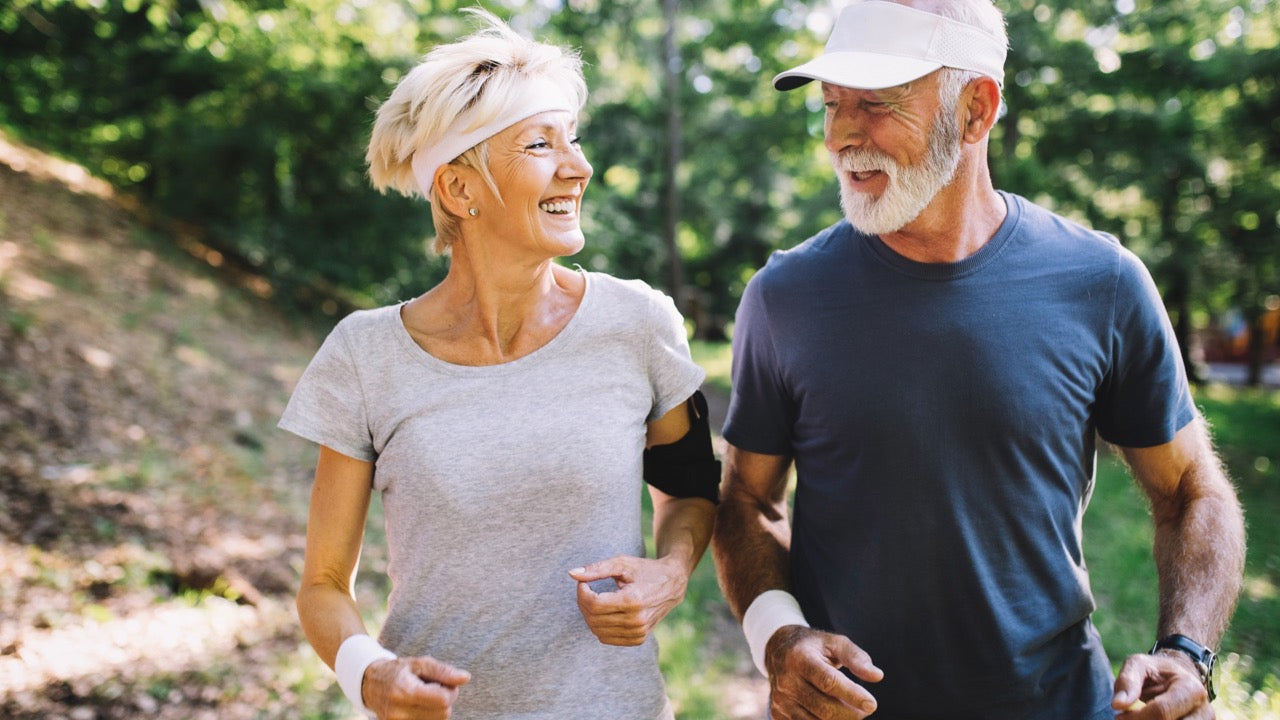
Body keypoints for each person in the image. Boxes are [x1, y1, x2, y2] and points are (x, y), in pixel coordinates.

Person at [711, 1, 1246, 719]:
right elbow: (747, 500)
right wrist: (778, 638)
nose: (840, 135)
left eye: (876, 104)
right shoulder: (785, 297)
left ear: (976, 110)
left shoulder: (1103, 283)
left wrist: (1186, 652)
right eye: (832, 104)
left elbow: (1191, 492)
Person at [278, 10, 720, 719]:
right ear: (459, 190)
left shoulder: (639, 323)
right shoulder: (365, 355)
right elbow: (324, 584)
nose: (579, 167)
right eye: (541, 144)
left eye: (573, 140)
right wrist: (370, 675)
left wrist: (670, 574)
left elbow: (692, 488)